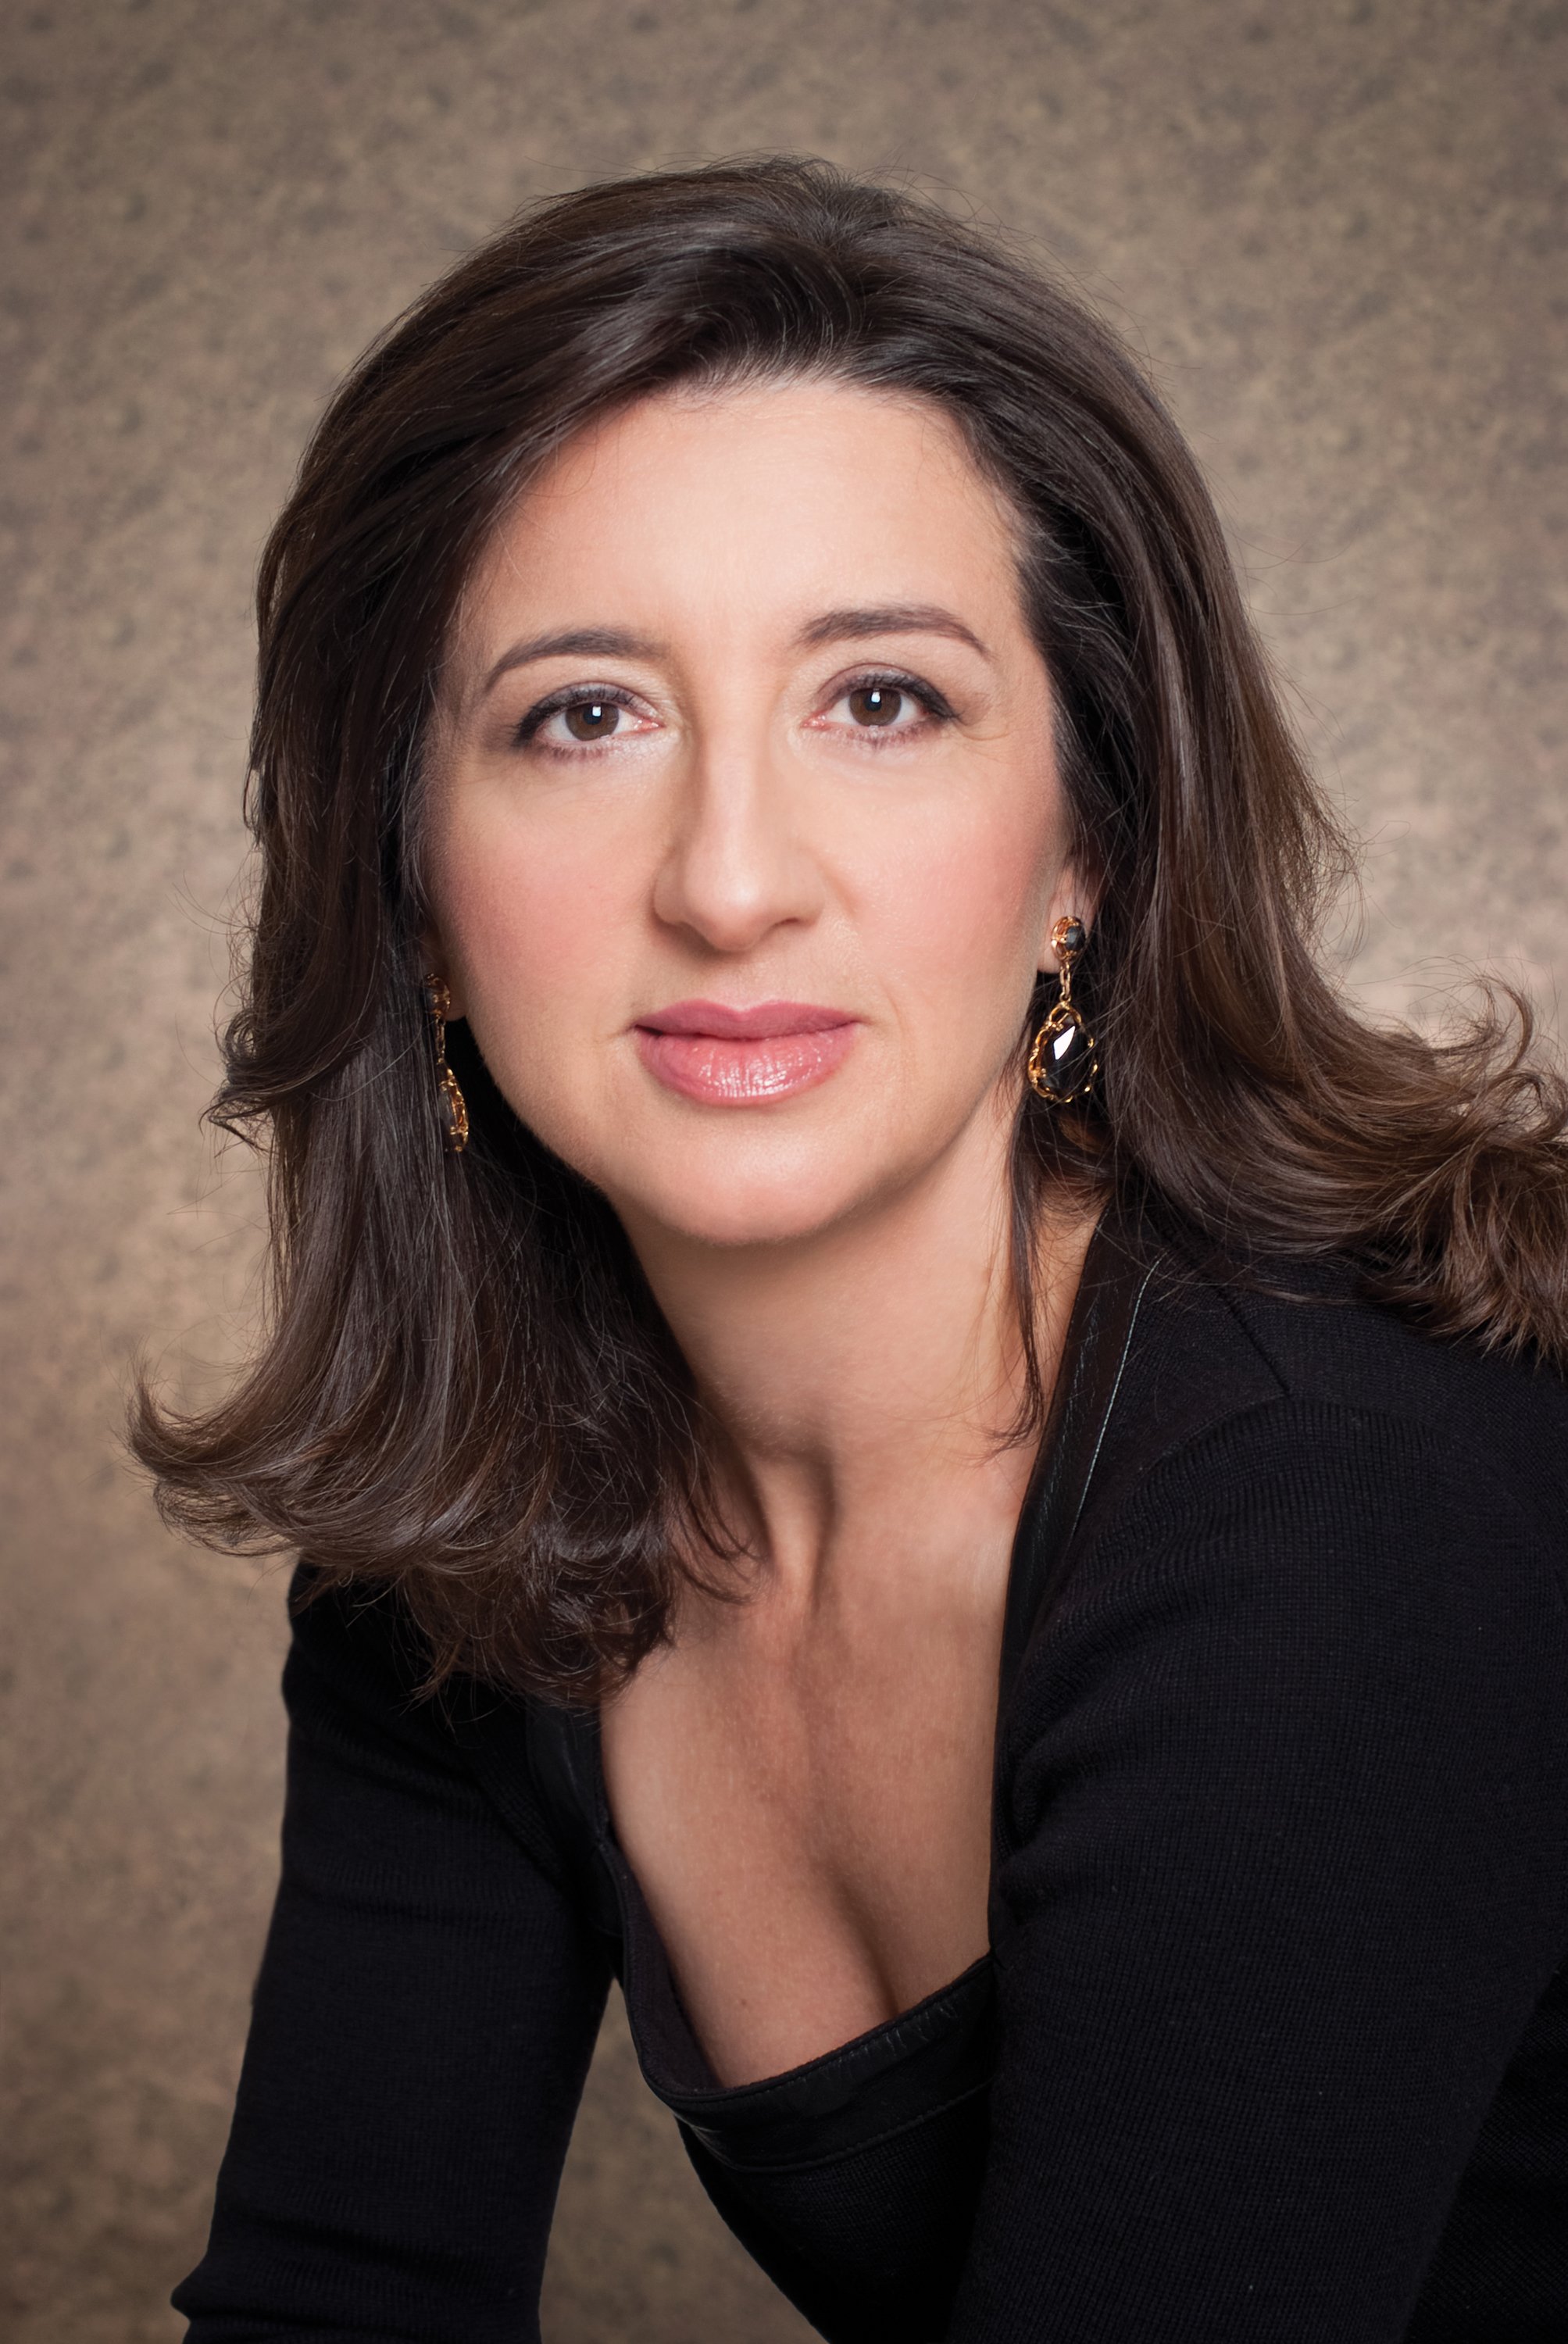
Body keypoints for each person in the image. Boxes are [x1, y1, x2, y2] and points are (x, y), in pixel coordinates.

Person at [135, 159, 1568, 2343]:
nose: (729, 880)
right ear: (409, 878)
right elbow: (340, 2298)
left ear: (1086, 842)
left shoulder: (1335, 1501)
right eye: (582, 715)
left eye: (881, 700)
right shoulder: (471, 1536)